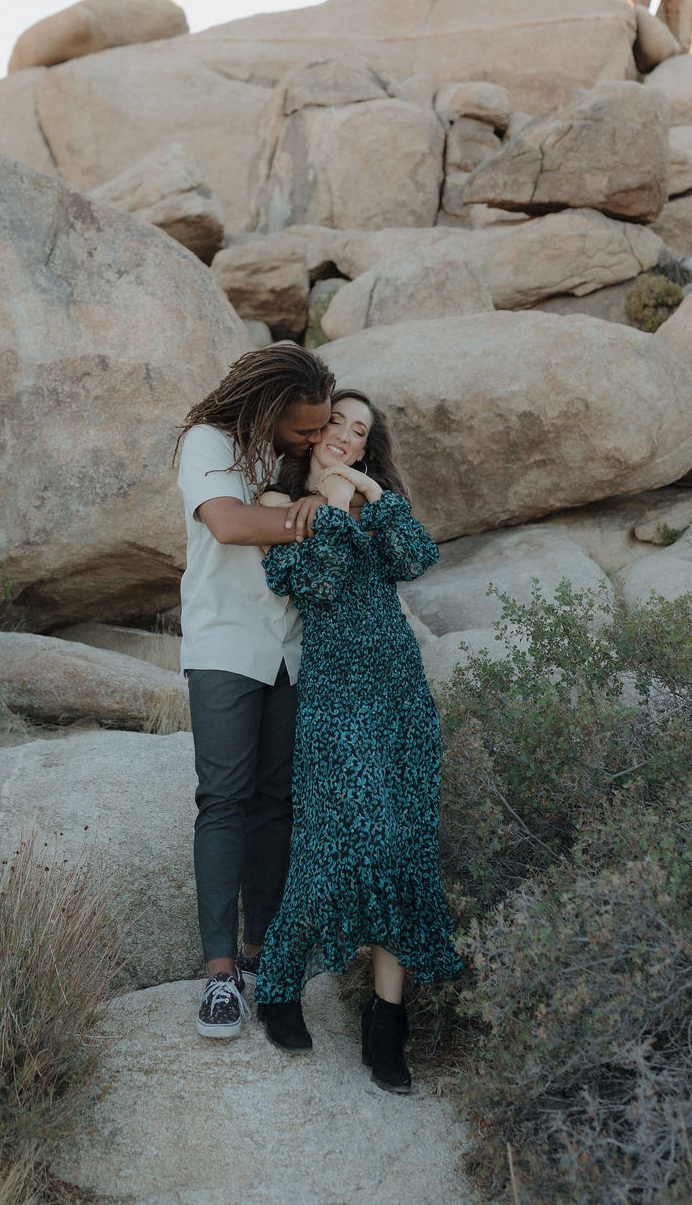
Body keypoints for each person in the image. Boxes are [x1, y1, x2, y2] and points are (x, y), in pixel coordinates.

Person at [253, 389, 461, 1093]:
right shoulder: (288, 512)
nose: (343, 434)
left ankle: (386, 1025)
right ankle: (278, 985)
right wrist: (335, 508)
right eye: (335, 422)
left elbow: (416, 556)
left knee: (402, 850)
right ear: (312, 435)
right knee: (336, 845)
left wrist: (373, 493)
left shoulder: (375, 508)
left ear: (368, 447)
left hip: (400, 694)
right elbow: (318, 583)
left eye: (359, 430)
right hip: (336, 697)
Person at [174, 342, 335, 1039]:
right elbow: (230, 522)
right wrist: (325, 518)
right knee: (224, 798)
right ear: (271, 412)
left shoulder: (304, 459)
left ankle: (260, 950)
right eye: (305, 427)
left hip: (293, 651)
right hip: (225, 642)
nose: (317, 437)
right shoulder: (208, 442)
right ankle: (218, 975)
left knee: (278, 801)